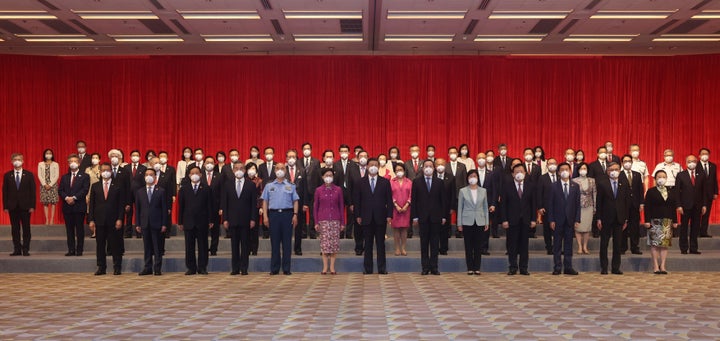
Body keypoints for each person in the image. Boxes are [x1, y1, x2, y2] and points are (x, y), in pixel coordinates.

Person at [354, 158, 393, 275]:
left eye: (376, 165)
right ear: (366, 166)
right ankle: (368, 269)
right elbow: (357, 201)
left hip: (381, 217)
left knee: (381, 244)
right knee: (368, 244)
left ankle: (382, 268)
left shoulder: (385, 182)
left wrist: (389, 215)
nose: (373, 167)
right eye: (371, 165)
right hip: (366, 217)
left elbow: (389, 200)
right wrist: (358, 215)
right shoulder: (360, 182)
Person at [261, 162, 300, 275]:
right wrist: (265, 216)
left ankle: (286, 268)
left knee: (287, 243)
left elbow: (295, 201)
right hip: (273, 215)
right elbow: (265, 201)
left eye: (282, 168)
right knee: (275, 242)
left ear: (286, 170)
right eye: (277, 168)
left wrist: (295, 214)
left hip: (287, 214)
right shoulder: (269, 186)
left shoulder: (291, 185)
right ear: (274, 171)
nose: (280, 170)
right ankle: (274, 268)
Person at [500, 163, 538, 276]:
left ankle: (523, 268)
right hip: (511, 220)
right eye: (516, 172)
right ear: (512, 174)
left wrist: (533, 219)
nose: (519, 174)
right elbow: (503, 205)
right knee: (512, 245)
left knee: (524, 245)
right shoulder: (507, 186)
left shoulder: (530, 186)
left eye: (521, 171)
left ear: (525, 173)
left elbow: (533, 204)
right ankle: (512, 267)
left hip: (526, 220)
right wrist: (504, 220)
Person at [412, 159, 448, 275]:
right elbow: (414, 201)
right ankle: (425, 267)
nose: (428, 168)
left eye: (430, 166)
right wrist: (415, 217)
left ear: (434, 168)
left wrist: (443, 216)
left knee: (434, 243)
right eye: (426, 166)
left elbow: (443, 201)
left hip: (436, 217)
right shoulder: (417, 182)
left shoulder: (439, 182)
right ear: (423, 169)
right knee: (424, 243)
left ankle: (434, 267)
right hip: (422, 217)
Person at [220, 162, 258, 275]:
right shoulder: (228, 184)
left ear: (245, 170)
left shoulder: (250, 185)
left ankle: (244, 268)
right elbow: (225, 203)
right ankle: (235, 268)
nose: (239, 170)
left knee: (245, 245)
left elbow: (253, 204)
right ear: (233, 170)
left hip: (246, 220)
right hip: (232, 220)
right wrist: (225, 219)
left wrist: (253, 219)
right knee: (234, 245)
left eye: (241, 168)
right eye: (236, 168)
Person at [88, 163, 125, 275]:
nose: (105, 172)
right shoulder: (95, 186)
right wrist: (91, 220)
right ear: (100, 171)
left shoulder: (117, 185)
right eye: (103, 170)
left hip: (114, 221)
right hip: (99, 221)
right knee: (100, 245)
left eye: (108, 170)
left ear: (111, 171)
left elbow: (121, 204)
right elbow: (92, 205)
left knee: (115, 245)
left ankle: (117, 267)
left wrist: (120, 218)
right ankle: (101, 267)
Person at [596, 162, 630, 275]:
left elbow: (626, 203)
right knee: (604, 244)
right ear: (607, 171)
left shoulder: (624, 183)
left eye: (616, 169)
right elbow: (599, 202)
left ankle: (616, 267)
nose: (614, 171)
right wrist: (598, 218)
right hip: (606, 218)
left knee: (617, 244)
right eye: (611, 169)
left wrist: (626, 219)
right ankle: (604, 267)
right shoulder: (602, 184)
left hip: (619, 218)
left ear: (620, 171)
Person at [547, 163, 581, 275]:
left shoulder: (575, 186)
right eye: (562, 170)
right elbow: (550, 204)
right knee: (556, 245)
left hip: (570, 220)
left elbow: (577, 204)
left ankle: (568, 267)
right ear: (558, 172)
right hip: (557, 220)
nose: (564, 171)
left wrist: (577, 219)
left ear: (570, 171)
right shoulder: (553, 186)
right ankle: (557, 267)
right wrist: (551, 219)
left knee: (568, 245)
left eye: (566, 169)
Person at [135, 168, 169, 276]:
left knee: (157, 247)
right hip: (144, 223)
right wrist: (138, 223)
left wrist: (164, 224)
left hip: (157, 223)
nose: (148, 176)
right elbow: (138, 209)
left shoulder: (161, 191)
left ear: (155, 177)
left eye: (151, 174)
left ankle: (157, 268)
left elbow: (164, 209)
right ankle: (147, 267)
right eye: (146, 174)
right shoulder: (140, 191)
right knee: (147, 247)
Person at [644, 170, 678, 274]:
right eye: (659, 177)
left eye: (663, 176)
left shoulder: (671, 191)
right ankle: (655, 266)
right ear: (655, 179)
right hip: (655, 221)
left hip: (667, 221)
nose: (661, 178)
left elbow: (673, 207)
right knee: (655, 244)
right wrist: (646, 220)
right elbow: (647, 207)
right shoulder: (651, 191)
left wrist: (675, 221)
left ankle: (662, 265)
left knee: (664, 245)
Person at [675, 155, 709, 255]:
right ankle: (684, 248)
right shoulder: (681, 175)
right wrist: (678, 205)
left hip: (698, 206)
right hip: (685, 206)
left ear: (696, 162)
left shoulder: (701, 174)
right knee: (684, 227)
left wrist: (704, 205)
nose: (692, 163)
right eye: (689, 161)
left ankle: (693, 248)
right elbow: (677, 192)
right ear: (686, 163)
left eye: (694, 161)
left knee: (695, 227)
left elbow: (704, 192)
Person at [457, 170, 489, 275]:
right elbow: (460, 207)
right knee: (468, 245)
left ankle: (477, 267)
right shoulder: (463, 191)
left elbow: (485, 207)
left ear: (478, 178)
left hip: (480, 221)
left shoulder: (483, 191)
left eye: (474, 176)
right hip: (467, 221)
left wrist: (486, 221)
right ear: (467, 178)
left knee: (478, 245)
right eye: (470, 176)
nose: (473, 178)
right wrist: (459, 223)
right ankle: (470, 267)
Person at [3, 153, 36, 256]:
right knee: (15, 229)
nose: (17, 161)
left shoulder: (29, 174)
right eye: (15, 159)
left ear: (23, 161)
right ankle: (17, 249)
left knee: (26, 228)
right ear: (11, 161)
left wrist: (32, 206)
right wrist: (5, 206)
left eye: (19, 159)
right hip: (12, 206)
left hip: (26, 206)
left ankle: (25, 249)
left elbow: (32, 191)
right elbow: (5, 192)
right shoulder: (7, 175)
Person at [314, 168, 345, 274]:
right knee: (325, 245)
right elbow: (315, 207)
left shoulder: (338, 189)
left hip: (335, 220)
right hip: (323, 220)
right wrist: (316, 222)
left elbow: (341, 206)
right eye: (326, 175)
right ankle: (325, 267)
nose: (328, 177)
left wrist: (342, 222)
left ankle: (332, 267)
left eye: (330, 175)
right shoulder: (318, 190)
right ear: (322, 177)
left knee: (334, 244)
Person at [58, 154, 90, 256]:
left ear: (79, 163)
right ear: (68, 163)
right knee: (69, 230)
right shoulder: (64, 177)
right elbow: (60, 190)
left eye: (75, 161)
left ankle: (79, 250)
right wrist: (67, 198)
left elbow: (85, 190)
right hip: (67, 207)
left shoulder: (85, 176)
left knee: (79, 229)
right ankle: (71, 249)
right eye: (70, 161)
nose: (73, 163)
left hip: (79, 206)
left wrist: (74, 198)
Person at [619, 155, 644, 255]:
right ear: (622, 163)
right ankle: (622, 247)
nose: (627, 163)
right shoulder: (619, 175)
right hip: (623, 206)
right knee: (623, 227)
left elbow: (640, 190)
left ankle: (635, 247)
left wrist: (642, 203)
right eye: (625, 161)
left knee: (635, 227)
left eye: (629, 161)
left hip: (635, 204)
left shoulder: (637, 175)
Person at [348, 150, 369, 255]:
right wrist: (351, 203)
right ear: (357, 158)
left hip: (369, 203)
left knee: (367, 225)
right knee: (357, 226)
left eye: (365, 156)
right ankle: (359, 247)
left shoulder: (371, 169)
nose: (363, 158)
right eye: (361, 156)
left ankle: (367, 246)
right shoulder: (352, 170)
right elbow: (349, 188)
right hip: (356, 202)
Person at [475, 152, 496, 254]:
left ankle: (484, 248)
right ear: (476, 159)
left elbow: (494, 190)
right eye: (479, 158)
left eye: (483, 158)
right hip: (475, 204)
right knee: (475, 226)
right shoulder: (472, 173)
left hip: (487, 204)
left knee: (486, 227)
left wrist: (493, 204)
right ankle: (476, 248)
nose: (481, 159)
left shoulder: (491, 173)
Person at [286, 150, 307, 255]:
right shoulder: (282, 170)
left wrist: (305, 203)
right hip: (285, 204)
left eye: (293, 156)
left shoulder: (301, 170)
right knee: (286, 228)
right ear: (286, 158)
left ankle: (298, 248)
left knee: (298, 227)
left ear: (296, 158)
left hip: (299, 202)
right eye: (289, 156)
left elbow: (305, 188)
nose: (291, 158)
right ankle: (287, 248)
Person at [572, 163, 595, 254]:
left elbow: (594, 194)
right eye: (581, 168)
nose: (583, 170)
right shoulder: (574, 180)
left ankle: (585, 247)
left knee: (587, 228)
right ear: (578, 170)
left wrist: (595, 207)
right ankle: (580, 247)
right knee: (578, 227)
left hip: (589, 206)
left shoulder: (592, 180)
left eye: (585, 168)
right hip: (577, 207)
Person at [202, 156, 222, 256]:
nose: (209, 164)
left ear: (214, 164)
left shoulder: (219, 176)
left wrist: (221, 207)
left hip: (215, 207)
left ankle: (214, 249)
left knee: (215, 230)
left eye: (211, 162)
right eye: (207, 162)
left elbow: (223, 193)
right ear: (204, 164)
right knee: (203, 230)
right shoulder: (199, 175)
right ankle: (204, 249)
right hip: (202, 208)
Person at [538, 158, 559, 255]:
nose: (552, 165)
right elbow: (539, 193)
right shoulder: (542, 178)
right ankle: (549, 247)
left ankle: (557, 248)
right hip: (546, 208)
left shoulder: (561, 176)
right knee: (547, 229)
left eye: (554, 163)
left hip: (559, 208)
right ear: (547, 165)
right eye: (550, 163)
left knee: (558, 229)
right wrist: (540, 207)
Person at [123, 150, 146, 239]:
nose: (134, 157)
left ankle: (139, 232)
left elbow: (144, 182)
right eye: (133, 155)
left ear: (140, 157)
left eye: (136, 155)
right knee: (128, 213)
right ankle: (128, 232)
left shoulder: (143, 168)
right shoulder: (126, 167)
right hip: (128, 193)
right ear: (130, 157)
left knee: (139, 213)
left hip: (139, 194)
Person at [435, 158, 456, 255]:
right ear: (435, 166)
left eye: (442, 164)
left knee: (445, 229)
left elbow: (453, 193)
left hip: (446, 208)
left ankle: (444, 248)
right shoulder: (431, 176)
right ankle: (435, 247)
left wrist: (452, 207)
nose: (440, 166)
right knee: (435, 229)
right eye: (438, 164)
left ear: (445, 165)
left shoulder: (451, 177)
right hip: (434, 207)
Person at [390, 163, 412, 256]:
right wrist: (396, 205)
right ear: (395, 171)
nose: (399, 171)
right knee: (396, 230)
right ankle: (397, 248)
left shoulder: (409, 182)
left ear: (404, 170)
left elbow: (412, 195)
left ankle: (403, 248)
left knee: (404, 229)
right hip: (395, 209)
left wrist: (407, 205)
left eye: (401, 169)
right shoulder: (391, 182)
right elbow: (389, 195)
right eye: (397, 170)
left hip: (406, 208)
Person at [300, 143, 320, 241]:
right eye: (304, 148)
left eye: (308, 148)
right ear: (302, 150)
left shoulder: (316, 162)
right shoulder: (298, 161)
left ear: (311, 150)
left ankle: (312, 232)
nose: (306, 150)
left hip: (313, 190)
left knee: (313, 212)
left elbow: (319, 177)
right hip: (301, 191)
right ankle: (303, 232)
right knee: (302, 212)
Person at [245, 162, 264, 254]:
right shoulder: (244, 180)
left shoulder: (259, 181)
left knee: (255, 229)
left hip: (256, 207)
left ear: (256, 170)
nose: (251, 170)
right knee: (246, 229)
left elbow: (261, 194)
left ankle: (254, 249)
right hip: (245, 208)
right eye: (249, 168)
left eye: (253, 168)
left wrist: (261, 207)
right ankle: (247, 249)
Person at [698, 148, 717, 238]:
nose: (704, 155)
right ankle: (696, 231)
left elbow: (714, 180)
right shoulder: (696, 165)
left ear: (709, 155)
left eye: (706, 153)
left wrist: (716, 192)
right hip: (698, 193)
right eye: (703, 153)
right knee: (697, 213)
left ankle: (703, 232)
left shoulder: (713, 166)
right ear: (699, 156)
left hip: (709, 193)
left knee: (706, 214)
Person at [38, 148, 59, 225]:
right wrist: (44, 184)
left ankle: (52, 220)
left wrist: (50, 184)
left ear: (52, 155)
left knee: (53, 203)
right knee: (45, 203)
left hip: (53, 185)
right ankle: (47, 220)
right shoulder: (40, 164)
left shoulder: (56, 164)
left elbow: (56, 175)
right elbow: (39, 175)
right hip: (43, 185)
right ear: (44, 154)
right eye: (47, 153)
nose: (48, 154)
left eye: (50, 153)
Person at [85, 153, 101, 237]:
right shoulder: (88, 169)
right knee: (91, 212)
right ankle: (94, 231)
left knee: (99, 212)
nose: (94, 159)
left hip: (100, 193)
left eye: (96, 157)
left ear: (99, 160)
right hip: (90, 193)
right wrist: (86, 195)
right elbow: (85, 183)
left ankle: (98, 231)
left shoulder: (102, 169)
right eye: (93, 158)